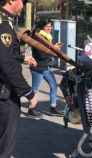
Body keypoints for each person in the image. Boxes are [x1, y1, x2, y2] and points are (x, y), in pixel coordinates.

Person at [0, 0, 38, 157]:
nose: (23, 6)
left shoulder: (6, 21)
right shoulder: (3, 24)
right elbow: (6, 63)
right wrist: (28, 92)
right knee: (5, 144)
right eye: (22, 1)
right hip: (5, 93)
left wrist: (22, 58)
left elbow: (6, 55)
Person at [28, 19, 63, 117]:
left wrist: (54, 48)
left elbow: (47, 52)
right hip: (38, 67)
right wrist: (53, 51)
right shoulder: (39, 37)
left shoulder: (47, 38)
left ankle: (53, 108)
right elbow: (40, 55)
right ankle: (31, 109)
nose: (49, 28)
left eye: (50, 26)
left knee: (54, 86)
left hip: (45, 67)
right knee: (35, 89)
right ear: (42, 27)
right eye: (47, 26)